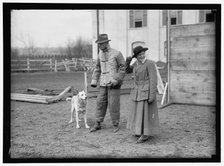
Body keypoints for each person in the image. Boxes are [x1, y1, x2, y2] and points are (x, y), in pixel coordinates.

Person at [90, 34, 125, 133]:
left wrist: (116, 79)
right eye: (98, 44)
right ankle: (98, 123)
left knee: (113, 104)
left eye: (101, 43)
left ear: (106, 43)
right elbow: (97, 68)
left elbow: (123, 68)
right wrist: (94, 80)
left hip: (114, 84)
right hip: (103, 83)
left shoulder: (117, 53)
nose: (99, 46)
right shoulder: (100, 54)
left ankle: (115, 123)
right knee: (100, 103)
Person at [127, 46, 159, 143]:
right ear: (136, 57)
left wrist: (152, 94)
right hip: (137, 92)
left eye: (142, 54)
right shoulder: (136, 65)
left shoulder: (150, 64)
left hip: (146, 92)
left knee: (146, 113)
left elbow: (153, 80)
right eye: (139, 55)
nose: (142, 56)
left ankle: (145, 134)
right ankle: (139, 130)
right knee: (138, 113)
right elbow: (135, 79)